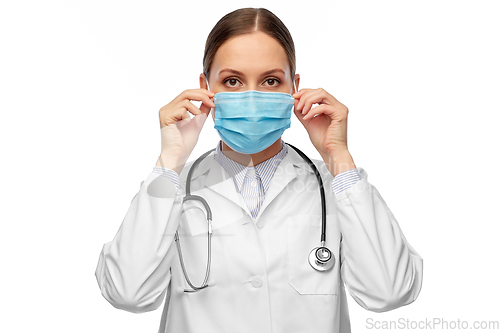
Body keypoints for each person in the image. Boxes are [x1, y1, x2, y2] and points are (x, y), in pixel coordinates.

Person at [95, 7, 423, 333]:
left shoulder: (334, 186)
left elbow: (390, 292)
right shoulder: (173, 188)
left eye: (270, 81)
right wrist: (170, 160)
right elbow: (128, 293)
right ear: (205, 86)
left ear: (294, 88)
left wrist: (339, 157)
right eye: (233, 81)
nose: (252, 98)